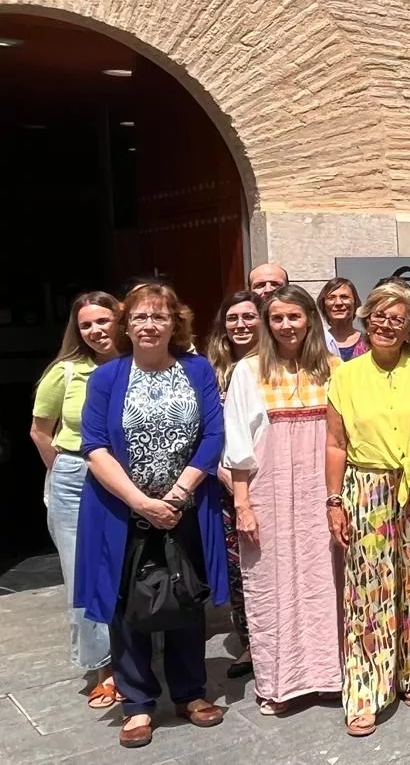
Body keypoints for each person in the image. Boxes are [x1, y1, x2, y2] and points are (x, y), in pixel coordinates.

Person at [77, 283, 229, 748]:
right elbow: (94, 446)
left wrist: (179, 494)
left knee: (184, 596)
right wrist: (140, 501)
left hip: (185, 505)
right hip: (119, 510)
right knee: (126, 603)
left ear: (175, 325)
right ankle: (138, 703)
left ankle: (190, 693)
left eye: (159, 317)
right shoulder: (107, 377)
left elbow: (212, 433)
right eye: (139, 317)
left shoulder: (197, 369)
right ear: (126, 325)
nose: (149, 325)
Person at [325, 283, 410, 736]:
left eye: (396, 319)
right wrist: (334, 500)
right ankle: (365, 691)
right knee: (368, 588)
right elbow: (336, 444)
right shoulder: (344, 375)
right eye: (378, 315)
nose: (384, 324)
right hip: (368, 485)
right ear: (365, 319)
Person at [222, 285, 342, 715]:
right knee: (271, 582)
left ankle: (330, 675)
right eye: (277, 318)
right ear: (267, 324)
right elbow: (237, 441)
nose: (286, 325)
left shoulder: (331, 366)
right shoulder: (249, 370)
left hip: (321, 486)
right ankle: (280, 683)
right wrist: (243, 504)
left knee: (326, 579)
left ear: (310, 319)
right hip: (268, 487)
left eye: (294, 316)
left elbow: (341, 435)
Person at [29, 291, 120, 708]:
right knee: (84, 574)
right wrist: (65, 470)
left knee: (127, 568)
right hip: (76, 477)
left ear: (119, 320)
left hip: (128, 478)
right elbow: (40, 431)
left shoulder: (136, 365)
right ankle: (103, 666)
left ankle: (136, 654)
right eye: (86, 325)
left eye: (103, 321)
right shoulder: (64, 373)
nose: (96, 330)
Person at [204, 290, 261, 680]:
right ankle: (250, 643)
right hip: (224, 481)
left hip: (271, 475)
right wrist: (220, 468)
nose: (240, 325)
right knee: (241, 567)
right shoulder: (210, 369)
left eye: (249, 316)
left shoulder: (280, 364)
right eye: (232, 318)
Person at [318, 278, 365, 362]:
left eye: (344, 297)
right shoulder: (317, 343)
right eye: (331, 298)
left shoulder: (369, 343)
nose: (338, 303)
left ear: (355, 302)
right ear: (323, 305)